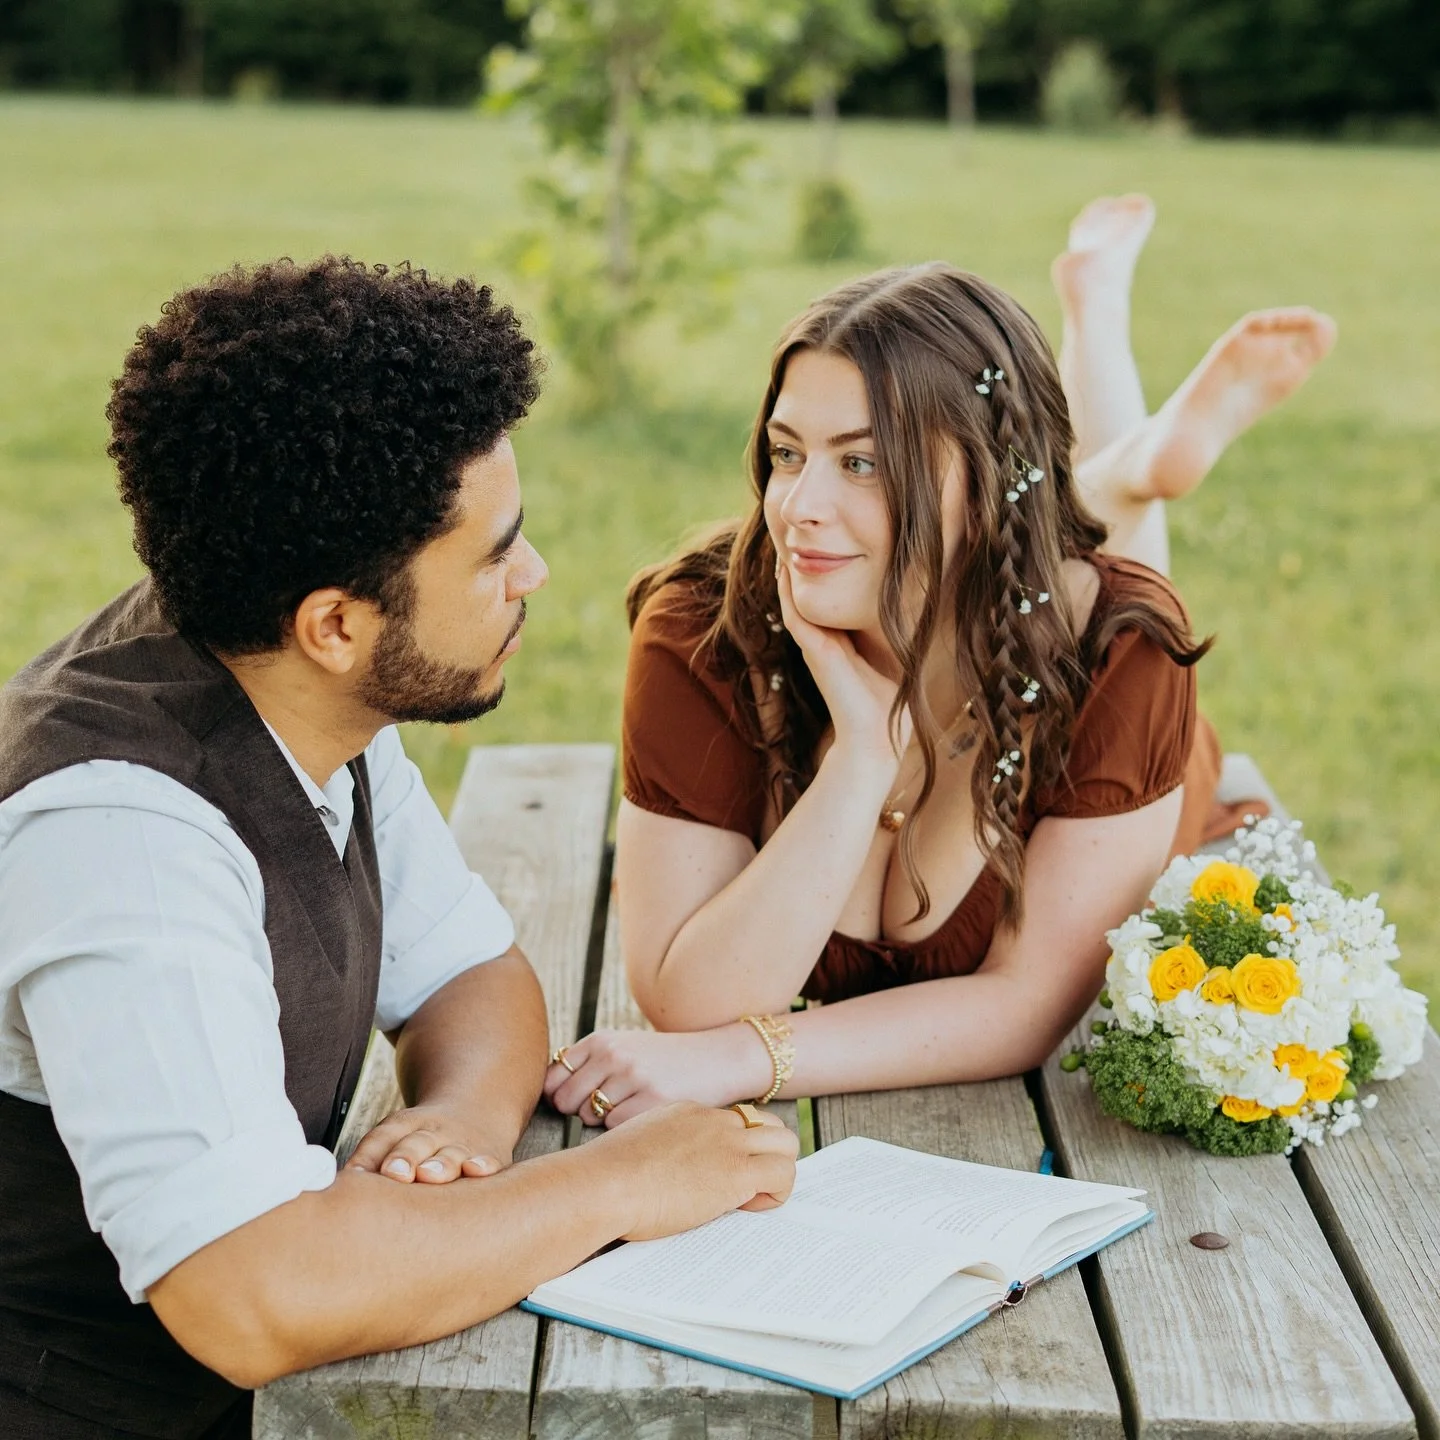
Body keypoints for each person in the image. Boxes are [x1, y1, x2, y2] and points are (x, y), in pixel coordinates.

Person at [0, 257, 797, 1440]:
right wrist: (625, 1181)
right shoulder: (124, 837)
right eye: (492, 555)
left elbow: (477, 978)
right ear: (335, 623)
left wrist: (463, 1129)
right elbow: (251, 1294)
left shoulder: (294, 671)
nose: (531, 576)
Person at [544, 199, 1334, 1128]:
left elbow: (1027, 1005)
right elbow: (687, 1000)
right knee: (1072, 544)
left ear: (986, 486)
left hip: (1065, 667)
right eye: (788, 453)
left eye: (864, 464)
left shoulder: (1121, 653)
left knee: (1114, 587)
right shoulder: (700, 629)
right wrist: (862, 756)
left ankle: (1110, 381)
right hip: (997, 559)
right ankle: (1119, 456)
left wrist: (745, 1059)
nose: (797, 506)